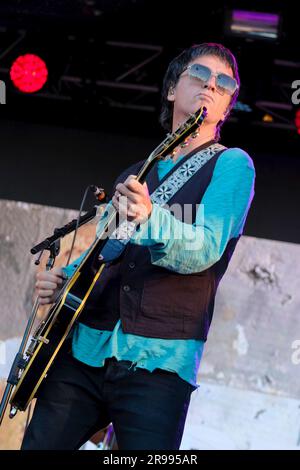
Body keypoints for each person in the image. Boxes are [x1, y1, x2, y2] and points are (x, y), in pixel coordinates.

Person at [21, 43, 255, 450]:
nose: (211, 86)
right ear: (171, 90)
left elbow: (205, 248)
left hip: (159, 363)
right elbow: (108, 253)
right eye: (199, 76)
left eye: (224, 84)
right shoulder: (136, 172)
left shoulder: (232, 164)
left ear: (227, 106)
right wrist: (67, 284)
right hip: (87, 349)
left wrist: (150, 216)